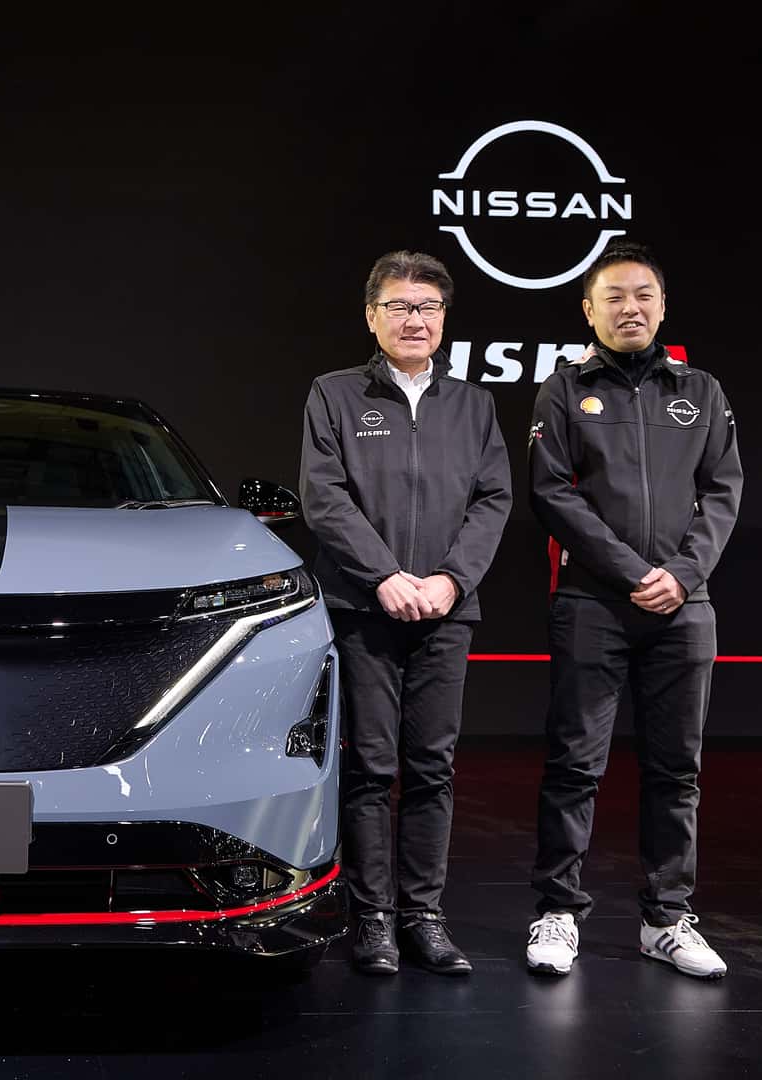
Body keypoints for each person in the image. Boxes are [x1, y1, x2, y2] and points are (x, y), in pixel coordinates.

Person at [523, 240, 742, 980]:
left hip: (685, 606)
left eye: (643, 294)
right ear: (588, 310)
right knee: (575, 764)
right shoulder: (563, 390)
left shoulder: (701, 390)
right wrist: (631, 572)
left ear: (663, 305)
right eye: (613, 296)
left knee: (677, 769)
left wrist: (681, 574)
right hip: (592, 602)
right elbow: (552, 494)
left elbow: (723, 491)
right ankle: (558, 911)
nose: (630, 307)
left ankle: (667, 919)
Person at [300, 251, 511, 975]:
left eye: (427, 307)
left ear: (443, 318)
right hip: (364, 606)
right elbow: (324, 497)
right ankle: (373, 918)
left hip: (448, 611)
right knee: (370, 766)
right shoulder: (333, 394)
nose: (414, 319)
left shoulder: (474, 404)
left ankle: (424, 915)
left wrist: (452, 580)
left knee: (432, 767)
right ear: (372, 316)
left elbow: (493, 500)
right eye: (398, 306)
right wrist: (384, 576)